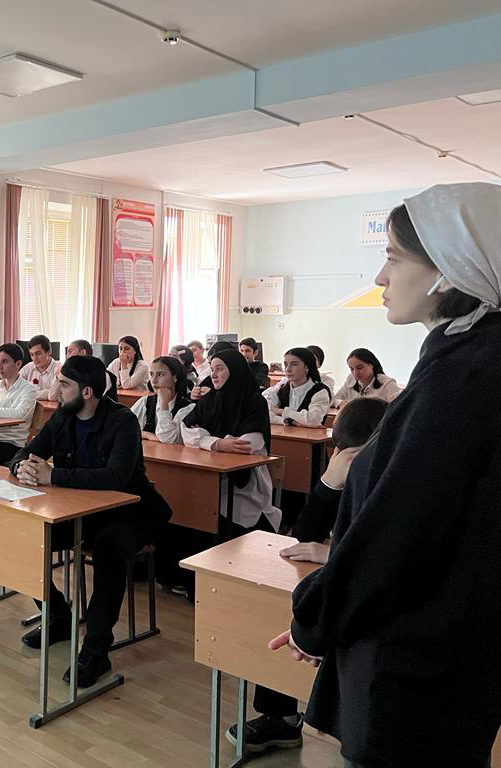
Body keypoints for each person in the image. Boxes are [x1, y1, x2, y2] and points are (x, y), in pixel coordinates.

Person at [276, 183, 501, 768]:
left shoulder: (462, 379)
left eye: (395, 257)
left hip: (417, 661)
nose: (380, 276)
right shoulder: (469, 360)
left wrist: (315, 618)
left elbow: (400, 531)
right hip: (448, 652)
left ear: (447, 270)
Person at [228, 397, 388, 756]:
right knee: (287, 602)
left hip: (381, 599)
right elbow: (304, 536)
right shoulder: (347, 470)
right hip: (351, 584)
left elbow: (387, 551)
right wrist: (329, 483)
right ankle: (281, 717)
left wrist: (333, 554)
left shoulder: (402, 480)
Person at [10, 355, 171, 686]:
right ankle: (57, 615)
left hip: (131, 512)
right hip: (82, 511)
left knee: (108, 549)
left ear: (86, 392)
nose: (56, 391)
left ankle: (97, 649)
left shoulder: (122, 421)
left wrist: (53, 476)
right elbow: (27, 452)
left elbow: (115, 476)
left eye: (64, 385)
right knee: (25, 536)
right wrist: (21, 467)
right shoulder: (63, 416)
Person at [181, 349, 281, 533]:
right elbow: (187, 430)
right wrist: (218, 444)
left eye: (219, 369)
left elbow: (248, 444)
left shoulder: (254, 401)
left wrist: (205, 440)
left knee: (219, 511)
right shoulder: (210, 398)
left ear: (235, 370)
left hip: (244, 479)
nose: (213, 375)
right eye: (212, 369)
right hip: (211, 471)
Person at [131, 356, 195, 443]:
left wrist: (164, 405)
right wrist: (147, 435)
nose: (153, 381)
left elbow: (168, 439)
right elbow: (125, 427)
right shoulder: (146, 401)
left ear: (175, 377)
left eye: (160, 374)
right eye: (151, 374)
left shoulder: (188, 408)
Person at [262, 347, 331, 427]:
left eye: (294, 364)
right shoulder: (281, 389)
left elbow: (312, 420)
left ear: (307, 367)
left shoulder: (320, 392)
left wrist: (281, 411)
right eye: (286, 364)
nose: (288, 369)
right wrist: (289, 421)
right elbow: (264, 413)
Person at [331, 348, 404, 406]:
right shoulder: (351, 379)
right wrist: (340, 403)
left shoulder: (387, 383)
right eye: (352, 369)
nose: (355, 373)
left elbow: (400, 406)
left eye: (360, 368)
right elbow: (334, 399)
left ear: (371, 365)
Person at [19, 334, 61, 400]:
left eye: (38, 353)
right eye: (32, 355)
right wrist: (47, 393)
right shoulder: (28, 368)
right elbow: (16, 390)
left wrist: (28, 393)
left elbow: (53, 395)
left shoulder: (59, 369)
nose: (34, 358)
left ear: (48, 352)